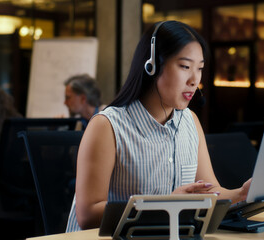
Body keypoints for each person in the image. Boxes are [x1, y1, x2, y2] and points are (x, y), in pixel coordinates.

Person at [66, 20, 251, 231]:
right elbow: (88, 214)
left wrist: (242, 194)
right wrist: (164, 205)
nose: (194, 79)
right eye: (184, 66)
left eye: (199, 69)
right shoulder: (107, 126)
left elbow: (209, 192)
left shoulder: (189, 121)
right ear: (151, 65)